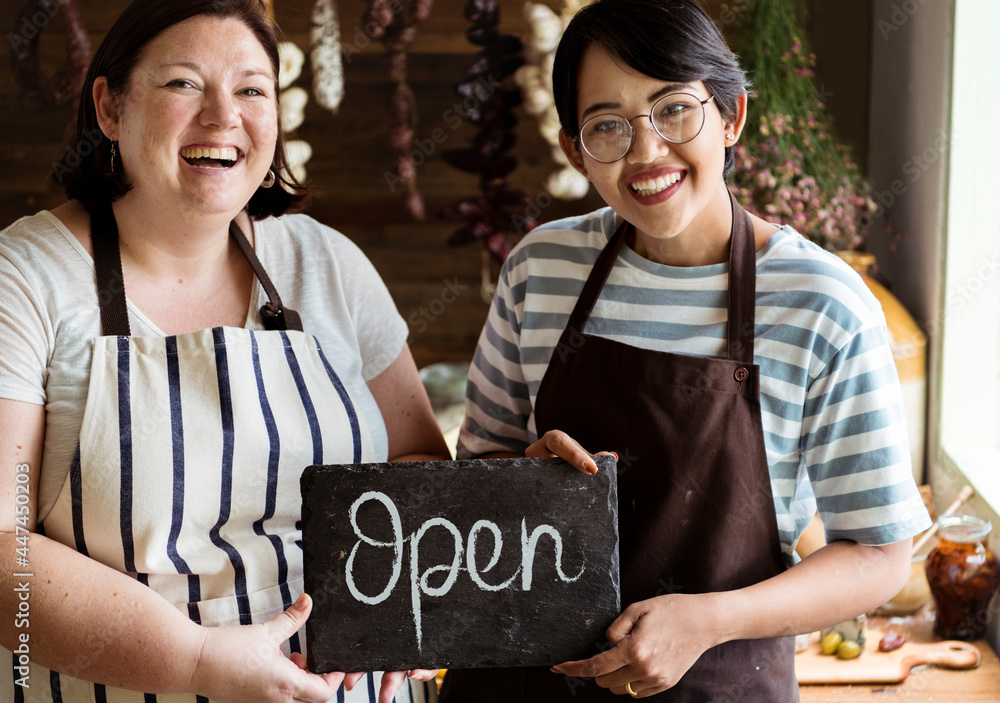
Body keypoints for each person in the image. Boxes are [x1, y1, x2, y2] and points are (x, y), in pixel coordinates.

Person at [441, 0, 931, 700]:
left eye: (673, 109)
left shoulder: (823, 302)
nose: (645, 153)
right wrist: (521, 476)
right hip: (524, 680)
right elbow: (475, 470)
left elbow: (880, 554)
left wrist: (708, 618)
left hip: (719, 683)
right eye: (607, 125)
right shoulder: (540, 269)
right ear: (574, 151)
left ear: (731, 116)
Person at [0, 1, 448, 701]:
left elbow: (419, 467)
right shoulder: (27, 275)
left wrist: (404, 613)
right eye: (183, 84)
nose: (222, 117)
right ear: (110, 108)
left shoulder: (325, 261)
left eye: (251, 89)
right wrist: (196, 661)